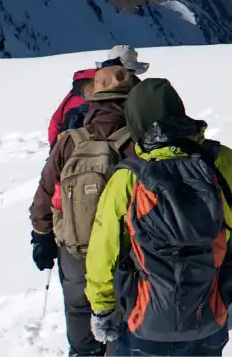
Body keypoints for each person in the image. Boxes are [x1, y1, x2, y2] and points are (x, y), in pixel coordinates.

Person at [84, 78, 232, 356]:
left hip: (145, 320)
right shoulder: (224, 162)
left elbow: (103, 252)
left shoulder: (128, 178)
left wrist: (102, 306)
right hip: (209, 313)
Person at [30, 65, 140, 356]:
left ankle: (83, 351)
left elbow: (44, 191)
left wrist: (41, 235)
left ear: (93, 102)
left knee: (78, 305)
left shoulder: (70, 140)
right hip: (124, 249)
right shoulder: (138, 142)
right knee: (122, 308)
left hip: (74, 244)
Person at [46, 46, 149, 148]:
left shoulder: (82, 85)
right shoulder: (110, 94)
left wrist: (56, 153)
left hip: (67, 150)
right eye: (130, 72)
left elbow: (56, 121)